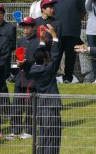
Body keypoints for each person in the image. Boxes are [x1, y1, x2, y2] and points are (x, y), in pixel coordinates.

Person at [30, 24, 63, 154]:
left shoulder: (33, 69)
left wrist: (42, 40)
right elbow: (55, 55)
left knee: (43, 135)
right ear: (45, 59)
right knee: (53, 136)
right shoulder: (49, 69)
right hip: (52, 107)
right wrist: (54, 36)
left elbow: (40, 54)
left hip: (41, 107)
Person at [9, 17, 41, 141]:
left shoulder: (38, 41)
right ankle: (15, 130)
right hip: (20, 76)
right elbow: (18, 55)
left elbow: (39, 60)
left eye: (28, 26)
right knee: (16, 105)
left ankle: (28, 130)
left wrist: (26, 62)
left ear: (33, 27)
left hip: (31, 78)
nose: (25, 28)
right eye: (24, 26)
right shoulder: (21, 40)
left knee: (29, 107)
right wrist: (19, 62)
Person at [51, 0, 86, 84]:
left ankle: (67, 78)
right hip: (57, 32)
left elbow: (83, 12)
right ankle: (52, 76)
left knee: (70, 57)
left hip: (72, 32)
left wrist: (74, 21)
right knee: (56, 55)